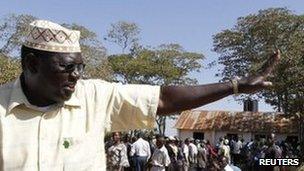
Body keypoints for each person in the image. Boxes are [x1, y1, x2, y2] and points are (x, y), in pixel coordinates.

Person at [0, 19, 280, 171]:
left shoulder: (94, 96)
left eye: (80, 67)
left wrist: (235, 86)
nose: (77, 75)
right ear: (32, 64)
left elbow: (163, 99)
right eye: (67, 67)